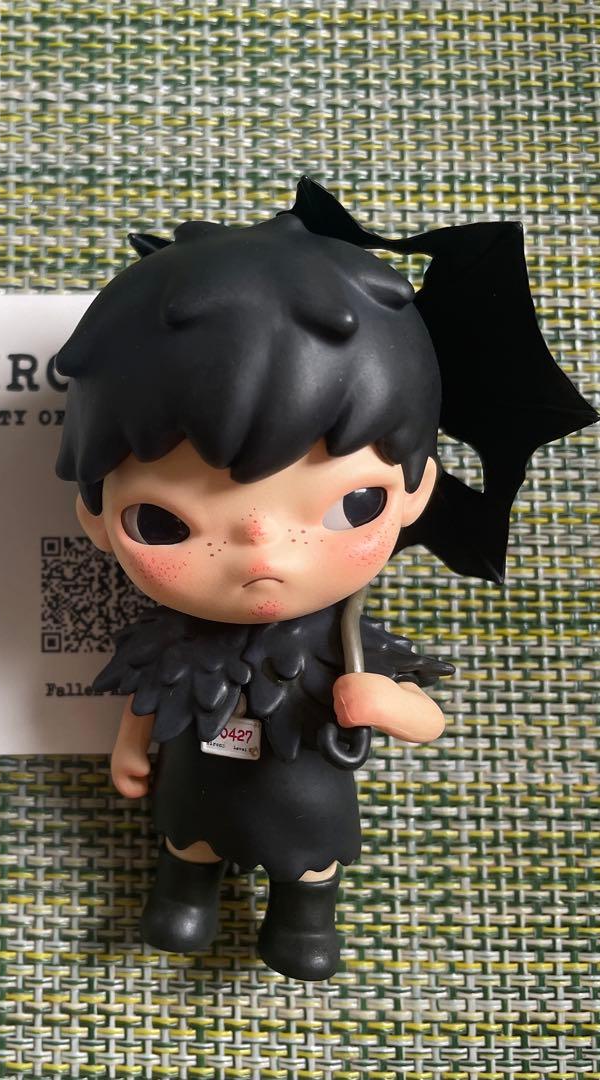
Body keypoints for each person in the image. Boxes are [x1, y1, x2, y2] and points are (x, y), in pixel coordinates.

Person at [53, 177, 597, 980]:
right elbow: (151, 695)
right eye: (165, 523)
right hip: (199, 780)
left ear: (415, 492)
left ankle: (303, 919)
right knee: (189, 836)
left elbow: (425, 719)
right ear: (95, 516)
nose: (264, 554)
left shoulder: (343, 638)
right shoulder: (174, 637)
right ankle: (184, 894)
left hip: (304, 789)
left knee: (308, 856)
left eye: (352, 505)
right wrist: (131, 746)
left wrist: (389, 704)